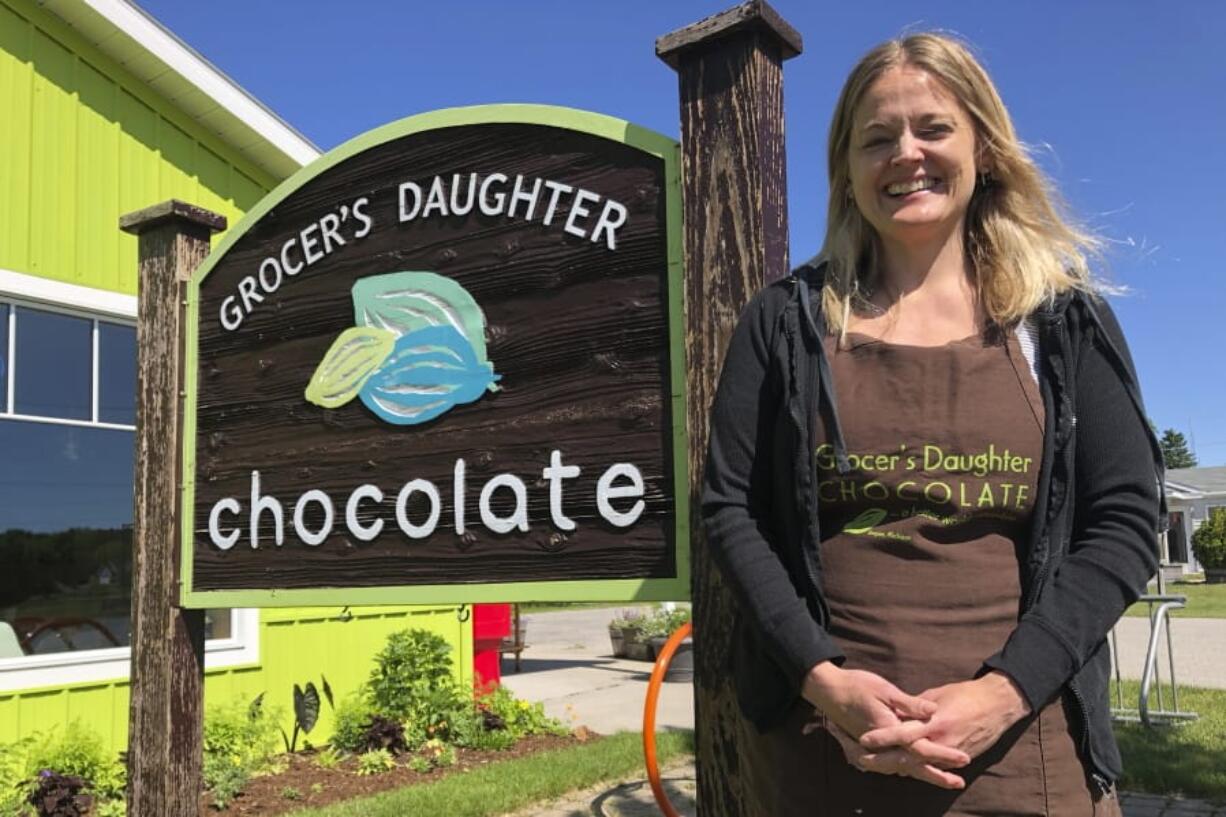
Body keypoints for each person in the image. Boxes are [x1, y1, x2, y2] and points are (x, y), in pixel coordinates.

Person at [702, 32, 1164, 817]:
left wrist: (1006, 691)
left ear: (984, 147)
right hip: (827, 751)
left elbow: (1124, 521)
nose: (905, 154)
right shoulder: (786, 321)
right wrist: (821, 676)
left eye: (933, 129)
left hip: (1027, 750)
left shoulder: (1061, 322)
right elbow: (729, 507)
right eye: (876, 138)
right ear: (846, 171)